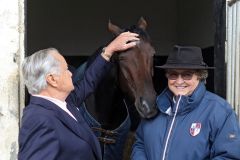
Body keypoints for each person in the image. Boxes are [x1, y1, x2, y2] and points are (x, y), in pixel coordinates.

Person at [18, 32, 139, 160]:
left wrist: (109, 50)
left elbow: (88, 82)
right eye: (65, 70)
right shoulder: (38, 119)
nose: (71, 73)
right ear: (52, 79)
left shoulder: (65, 101)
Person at [131, 45, 240, 160]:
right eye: (173, 74)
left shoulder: (220, 111)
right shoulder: (155, 107)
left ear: (200, 76)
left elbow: (228, 156)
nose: (179, 81)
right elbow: (140, 143)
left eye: (187, 75)